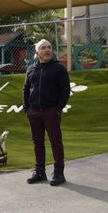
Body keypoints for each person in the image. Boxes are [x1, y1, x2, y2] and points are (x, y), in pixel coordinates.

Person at [23, 39, 70, 186]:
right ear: (37, 52)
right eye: (43, 48)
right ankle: (39, 172)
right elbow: (25, 89)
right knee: (37, 143)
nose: (47, 50)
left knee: (55, 142)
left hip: (51, 111)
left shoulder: (59, 68)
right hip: (34, 112)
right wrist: (27, 108)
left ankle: (58, 173)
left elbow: (65, 90)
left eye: (49, 47)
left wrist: (57, 109)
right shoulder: (31, 69)